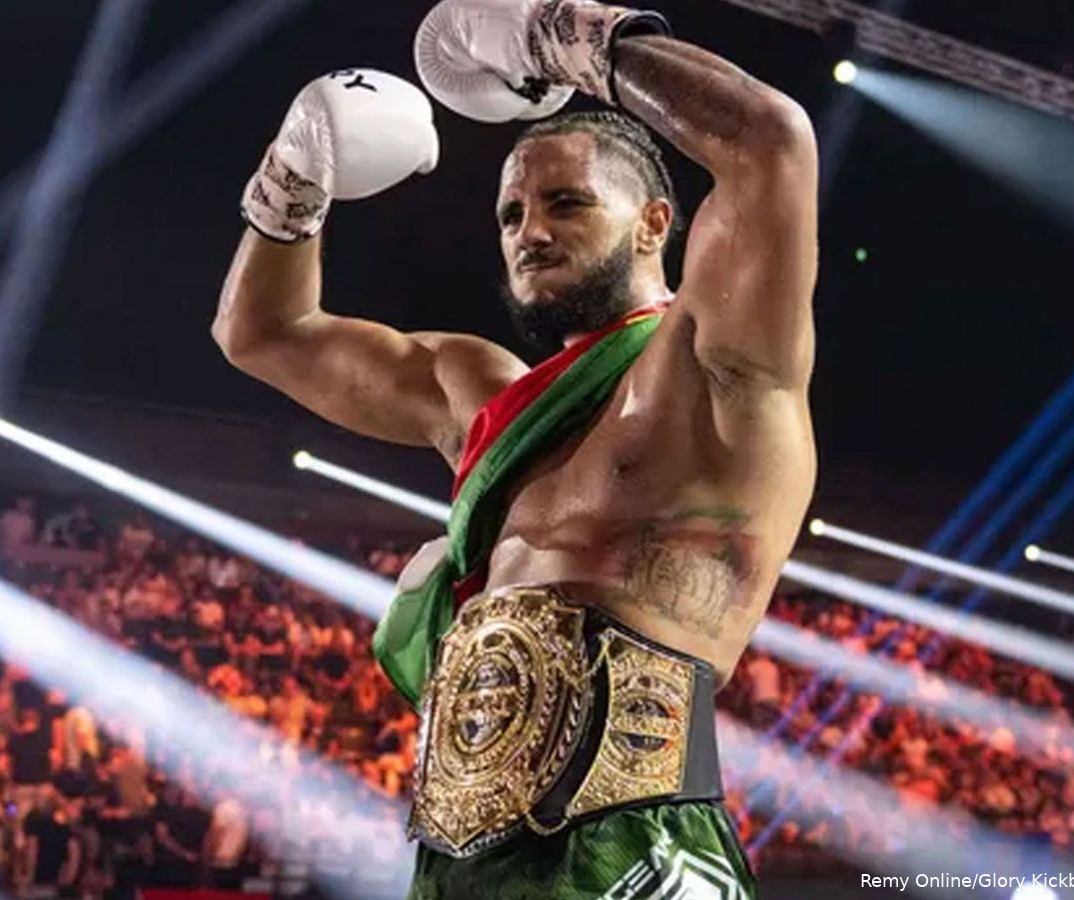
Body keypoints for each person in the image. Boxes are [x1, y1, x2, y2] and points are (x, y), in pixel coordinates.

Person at [215, 0, 816, 895]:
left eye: (567, 203)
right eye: (510, 214)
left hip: (633, 846)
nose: (529, 233)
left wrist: (561, 36)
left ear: (655, 224)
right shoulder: (484, 399)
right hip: (460, 855)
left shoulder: (718, 367)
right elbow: (262, 333)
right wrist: (291, 178)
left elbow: (769, 140)